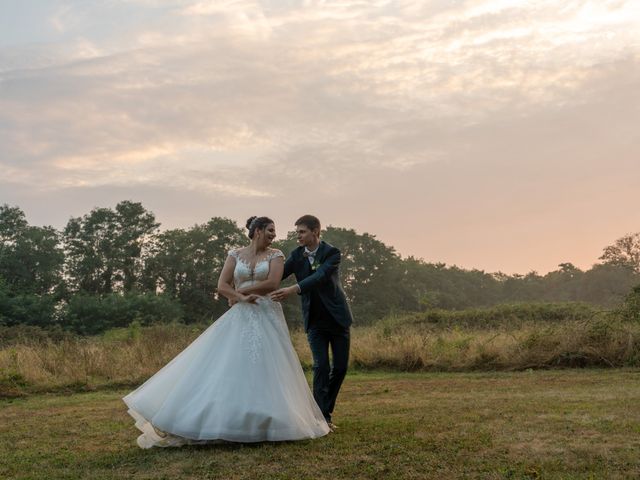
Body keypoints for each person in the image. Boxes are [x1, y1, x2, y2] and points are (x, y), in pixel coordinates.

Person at [122, 216, 330, 448]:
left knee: (268, 366)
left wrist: (241, 291)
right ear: (257, 230)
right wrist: (239, 297)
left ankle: (269, 420)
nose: (274, 234)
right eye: (270, 230)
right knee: (228, 365)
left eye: (274, 231)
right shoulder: (235, 254)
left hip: (266, 313)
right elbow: (222, 285)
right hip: (241, 313)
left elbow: (272, 283)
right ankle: (223, 419)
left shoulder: (277, 255)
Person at [270, 215, 353, 429]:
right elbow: (277, 276)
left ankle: (326, 409)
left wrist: (293, 289)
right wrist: (252, 279)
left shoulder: (332, 253)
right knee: (321, 366)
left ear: (315, 231)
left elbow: (321, 276)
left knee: (341, 368)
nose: (298, 235)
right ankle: (321, 418)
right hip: (314, 320)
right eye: (297, 232)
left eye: (302, 232)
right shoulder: (296, 256)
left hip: (337, 318)